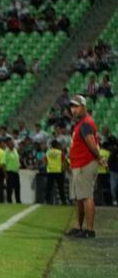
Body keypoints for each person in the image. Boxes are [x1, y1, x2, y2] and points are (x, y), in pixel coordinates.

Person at [65, 95, 107, 238]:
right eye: (72, 107)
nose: (73, 110)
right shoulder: (82, 123)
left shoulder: (85, 123)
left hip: (85, 164)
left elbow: (91, 142)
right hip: (80, 163)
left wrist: (99, 157)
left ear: (84, 107)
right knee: (80, 197)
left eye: (76, 106)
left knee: (86, 196)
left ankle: (89, 230)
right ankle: (79, 227)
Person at [45, 140, 67, 205]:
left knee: (49, 187)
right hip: (59, 171)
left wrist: (49, 166)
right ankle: (63, 201)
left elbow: (45, 161)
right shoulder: (60, 152)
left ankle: (47, 200)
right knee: (61, 188)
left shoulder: (48, 152)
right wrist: (64, 169)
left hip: (50, 171)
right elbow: (64, 162)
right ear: (57, 145)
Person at [4, 137, 21, 203]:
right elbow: (3, 164)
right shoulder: (6, 152)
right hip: (9, 172)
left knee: (17, 187)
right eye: (11, 143)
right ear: (8, 144)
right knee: (9, 188)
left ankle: (18, 201)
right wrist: (5, 174)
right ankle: (9, 201)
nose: (13, 144)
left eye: (13, 143)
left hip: (16, 172)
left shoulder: (15, 150)